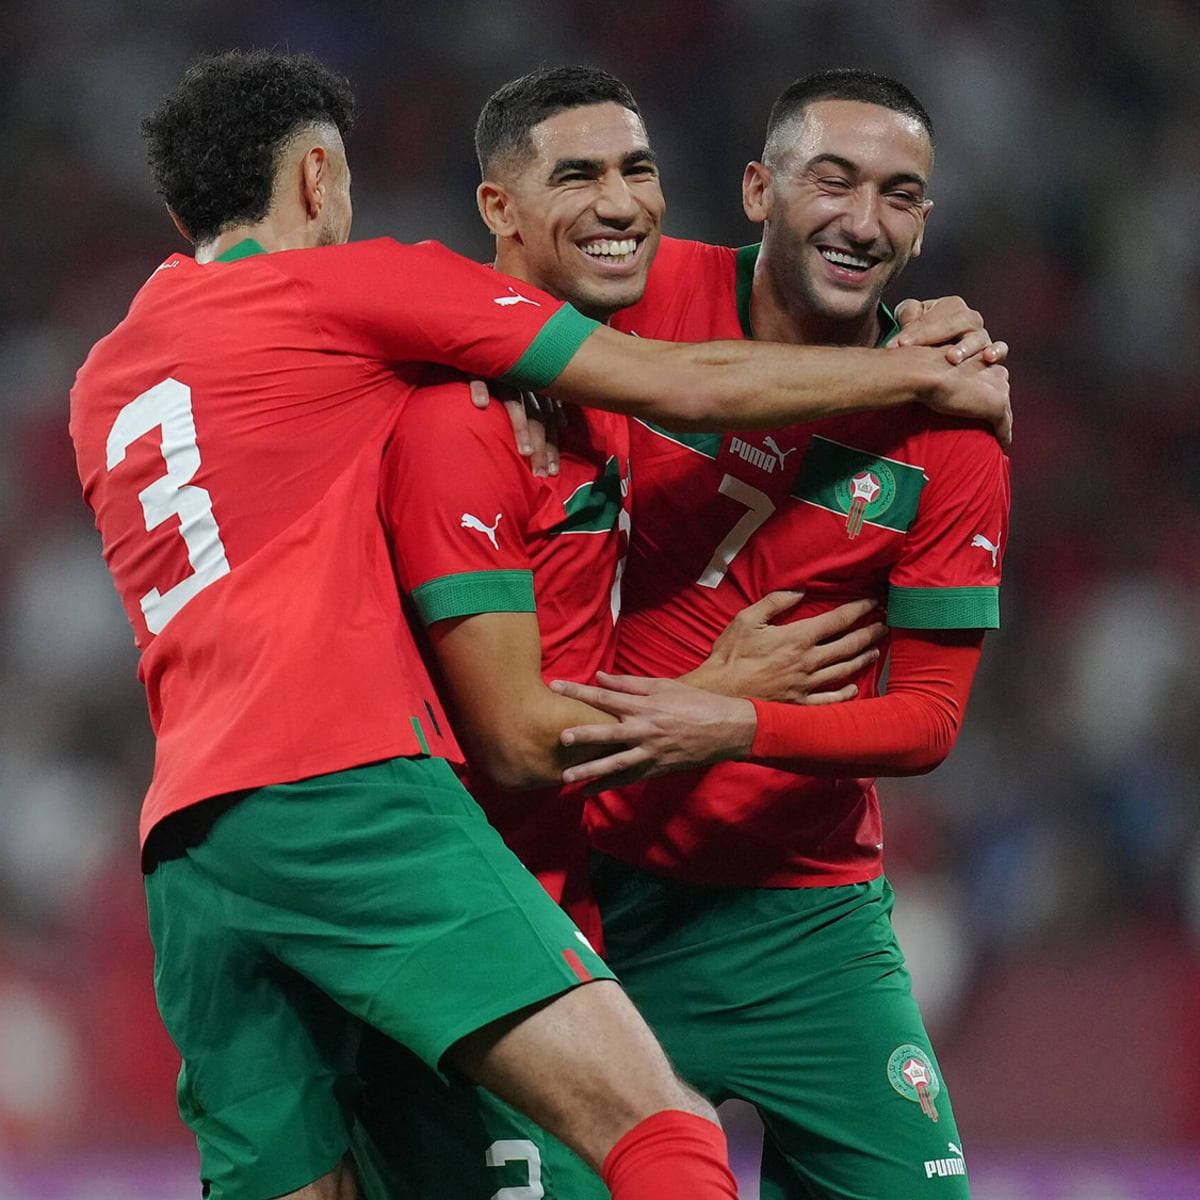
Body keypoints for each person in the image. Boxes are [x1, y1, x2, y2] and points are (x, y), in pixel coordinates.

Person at [67, 49, 1008, 1200]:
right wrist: (912, 376)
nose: (619, 206)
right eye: (581, 176)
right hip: (380, 808)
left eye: (639, 171)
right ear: (319, 177)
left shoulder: (109, 376)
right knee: (658, 1131)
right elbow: (677, 386)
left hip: (192, 839)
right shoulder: (384, 319)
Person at [352, 66, 1006, 1199]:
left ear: (924, 222)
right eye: (832, 181)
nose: (861, 220)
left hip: (809, 915)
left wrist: (735, 723)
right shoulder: (636, 304)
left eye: (899, 195)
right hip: (600, 888)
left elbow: (933, 719)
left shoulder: (952, 419)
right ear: (759, 189)